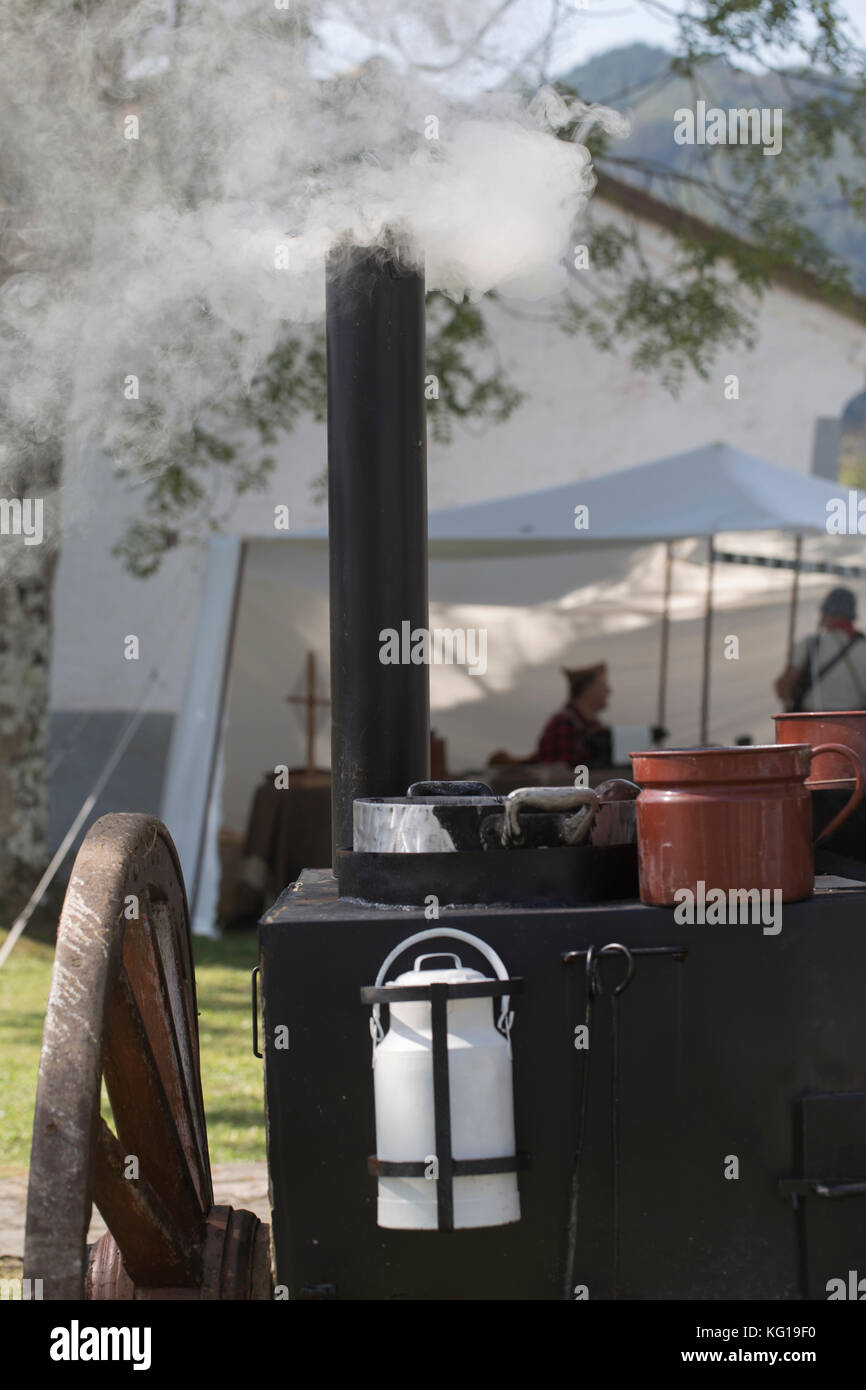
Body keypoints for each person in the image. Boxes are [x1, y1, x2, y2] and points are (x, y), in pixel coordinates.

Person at [774, 587, 866, 712]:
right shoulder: (863, 646)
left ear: (826, 613)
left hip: (814, 725)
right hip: (857, 726)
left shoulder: (810, 644)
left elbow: (783, 689)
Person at [533, 663, 613, 768]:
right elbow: (559, 776)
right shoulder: (563, 723)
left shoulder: (594, 725)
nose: (608, 691)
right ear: (587, 688)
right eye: (603, 685)